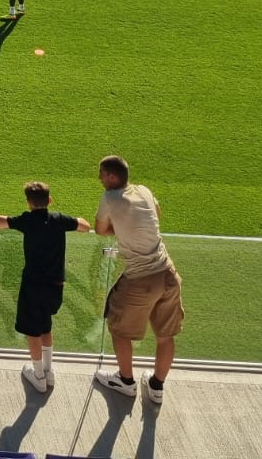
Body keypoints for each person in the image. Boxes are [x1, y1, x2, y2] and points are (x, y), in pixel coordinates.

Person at [94, 155, 184, 403]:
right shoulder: (144, 190)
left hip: (140, 279)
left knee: (118, 328)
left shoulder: (110, 198)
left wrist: (120, 229)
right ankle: (156, 387)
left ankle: (125, 381)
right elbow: (157, 212)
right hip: (168, 274)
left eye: (101, 174)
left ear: (112, 177)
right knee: (165, 335)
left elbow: (100, 229)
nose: (99, 178)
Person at [0, 181, 91, 392]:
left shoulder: (27, 220)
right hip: (56, 286)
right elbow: (85, 226)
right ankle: (48, 371)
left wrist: (0, 220)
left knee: (32, 331)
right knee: (45, 325)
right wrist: (70, 220)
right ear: (50, 200)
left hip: (33, 286)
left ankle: (38, 376)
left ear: (29, 203)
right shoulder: (59, 219)